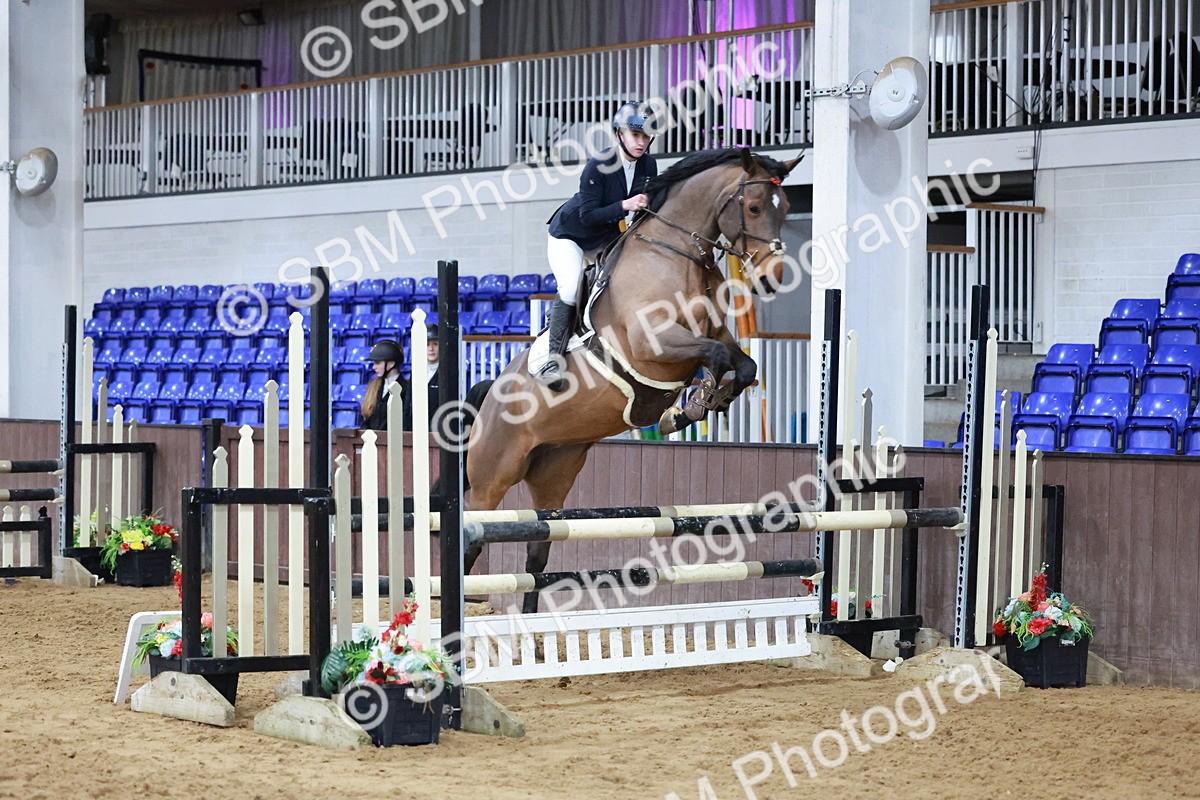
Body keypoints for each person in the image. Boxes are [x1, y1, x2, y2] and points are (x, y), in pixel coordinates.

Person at [541, 99, 659, 391]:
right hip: (570, 234)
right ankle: (552, 360)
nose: (641, 142)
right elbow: (588, 215)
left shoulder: (648, 165)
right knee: (571, 286)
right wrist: (626, 205)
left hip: (606, 235)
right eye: (635, 135)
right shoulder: (599, 165)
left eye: (646, 136)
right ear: (619, 133)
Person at [360, 338, 410, 431]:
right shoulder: (373, 386)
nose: (374, 367)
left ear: (391, 364)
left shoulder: (407, 389)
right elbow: (366, 419)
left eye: (378, 363)